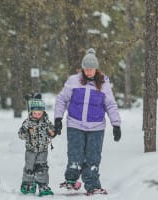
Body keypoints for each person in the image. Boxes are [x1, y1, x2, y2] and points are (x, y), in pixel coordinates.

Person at [54, 48, 122, 195]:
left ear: (96, 69)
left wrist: (116, 124)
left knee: (93, 157)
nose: (89, 72)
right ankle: (71, 180)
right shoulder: (74, 81)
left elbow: (110, 104)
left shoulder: (103, 83)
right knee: (75, 154)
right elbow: (62, 100)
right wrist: (58, 118)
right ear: (82, 69)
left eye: (91, 69)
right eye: (86, 69)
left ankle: (93, 185)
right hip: (75, 124)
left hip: (96, 127)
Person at [18, 97, 56, 196]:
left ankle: (43, 185)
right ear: (31, 112)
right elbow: (21, 136)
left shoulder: (46, 122)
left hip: (43, 150)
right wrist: (24, 130)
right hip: (30, 150)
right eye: (35, 113)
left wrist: (52, 132)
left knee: (42, 167)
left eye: (39, 113)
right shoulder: (27, 123)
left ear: (43, 112)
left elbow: (52, 133)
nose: (37, 115)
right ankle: (28, 184)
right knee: (29, 167)